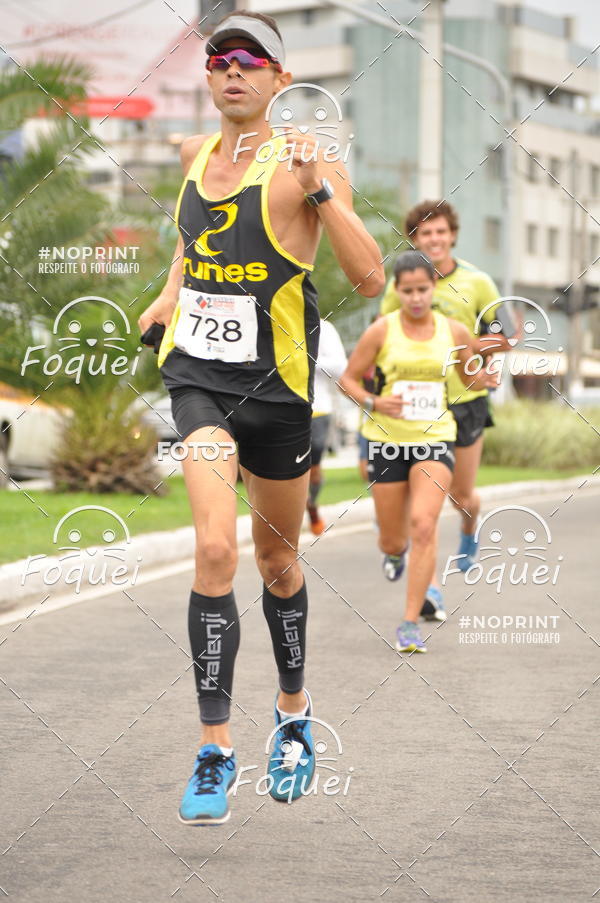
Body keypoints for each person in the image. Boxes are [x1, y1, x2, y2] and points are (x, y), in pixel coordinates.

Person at [138, 9, 384, 825]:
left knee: (278, 562)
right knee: (215, 549)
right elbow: (193, 239)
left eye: (251, 58)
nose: (233, 69)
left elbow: (370, 277)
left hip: (278, 391)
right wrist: (169, 295)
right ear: (208, 76)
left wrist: (320, 190)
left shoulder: (308, 162)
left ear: (281, 78)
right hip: (199, 380)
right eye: (220, 58)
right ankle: (214, 748)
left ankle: (293, 713)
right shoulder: (192, 156)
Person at [341, 251, 498, 653]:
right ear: (397, 290)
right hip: (386, 441)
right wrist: (375, 402)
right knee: (393, 540)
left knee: (424, 524)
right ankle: (394, 554)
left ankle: (410, 623)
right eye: (408, 291)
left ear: (433, 288)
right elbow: (348, 380)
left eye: (423, 290)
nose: (415, 298)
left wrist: (484, 377)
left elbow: (468, 377)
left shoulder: (454, 331)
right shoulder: (381, 330)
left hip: (435, 438)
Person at [380, 201, 518, 616]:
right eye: (425, 233)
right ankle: (430, 589)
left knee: (460, 496)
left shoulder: (477, 282)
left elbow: (508, 334)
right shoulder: (401, 285)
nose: (434, 239)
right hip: (419, 408)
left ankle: (470, 526)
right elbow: (382, 336)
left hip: (466, 402)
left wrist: (466, 346)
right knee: (424, 508)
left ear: (452, 235)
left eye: (440, 231)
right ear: (413, 239)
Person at [306, 317, 347, 535]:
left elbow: (340, 367)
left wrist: (305, 358)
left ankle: (311, 504)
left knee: (313, 468)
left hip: (317, 407)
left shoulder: (323, 327)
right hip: (279, 406)